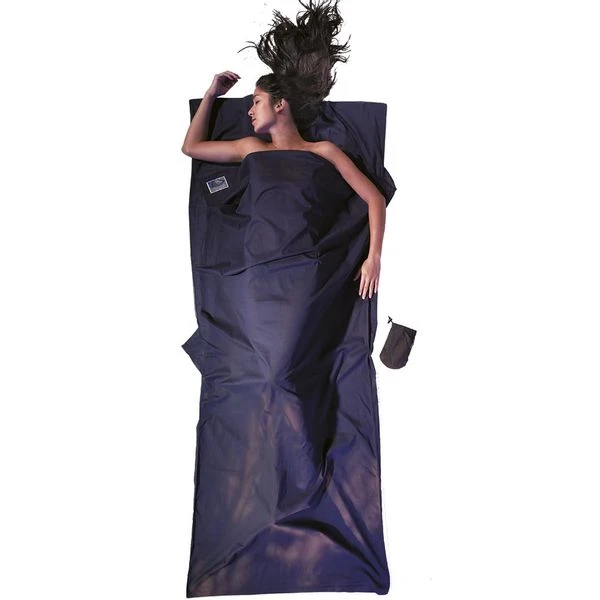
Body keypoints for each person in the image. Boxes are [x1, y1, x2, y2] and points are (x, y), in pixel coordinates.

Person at [181, 0, 386, 300]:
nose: (249, 110)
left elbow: (374, 198)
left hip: (307, 269)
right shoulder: (251, 148)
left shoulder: (323, 150)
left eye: (256, 101)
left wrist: (373, 257)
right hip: (258, 272)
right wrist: (211, 95)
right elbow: (191, 147)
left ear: (280, 104)